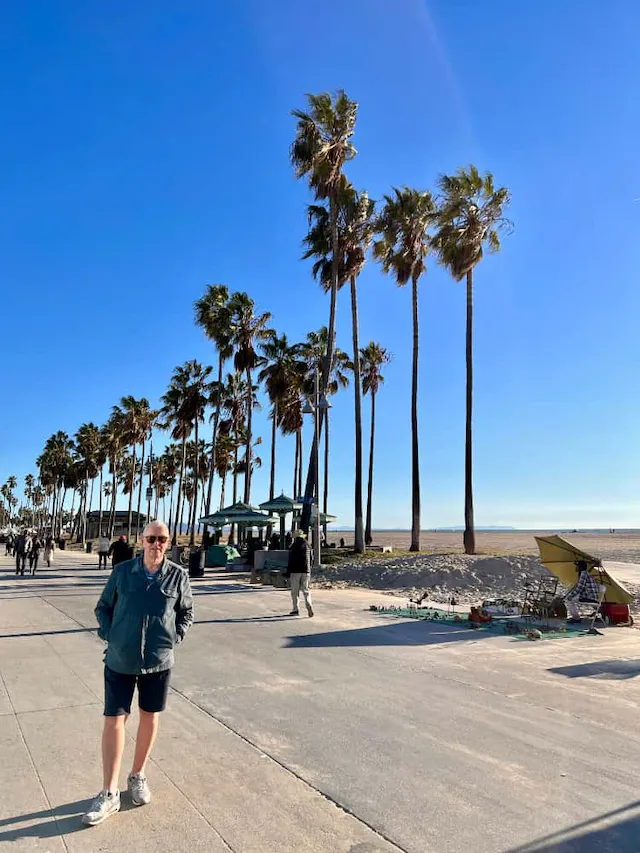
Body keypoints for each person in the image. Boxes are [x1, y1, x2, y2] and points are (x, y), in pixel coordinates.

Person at [82, 521, 193, 827]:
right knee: (114, 720)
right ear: (141, 540)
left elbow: (186, 612)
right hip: (120, 659)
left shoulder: (178, 576)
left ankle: (137, 775)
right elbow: (102, 607)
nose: (156, 544)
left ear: (168, 543)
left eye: (162, 539)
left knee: (149, 716)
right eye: (151, 538)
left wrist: (173, 638)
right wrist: (110, 635)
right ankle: (108, 793)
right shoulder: (122, 572)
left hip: (157, 662)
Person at [285, 530, 314, 618]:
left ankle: (295, 609)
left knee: (295, 591)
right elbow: (312, 559)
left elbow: (291, 560)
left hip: (295, 571)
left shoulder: (294, 546)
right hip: (306, 570)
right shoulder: (308, 546)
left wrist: (288, 572)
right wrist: (309, 568)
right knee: (306, 590)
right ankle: (309, 605)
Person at [565, 559, 600, 624]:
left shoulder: (583, 574)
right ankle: (576, 617)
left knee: (569, 600)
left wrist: (570, 596)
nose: (576, 567)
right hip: (590, 596)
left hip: (588, 597)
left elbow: (579, 589)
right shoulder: (586, 574)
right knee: (571, 598)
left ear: (580, 567)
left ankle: (576, 618)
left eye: (577, 566)